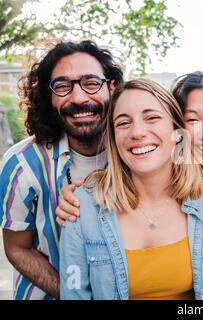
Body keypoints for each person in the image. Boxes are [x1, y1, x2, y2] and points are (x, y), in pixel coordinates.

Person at [59, 78, 203, 300]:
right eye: (123, 123)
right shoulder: (82, 206)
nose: (137, 132)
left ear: (177, 130)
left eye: (152, 118)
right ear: (113, 137)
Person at [0, 40, 123, 300]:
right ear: (49, 96)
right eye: (63, 86)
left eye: (91, 83)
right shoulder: (22, 165)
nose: (78, 98)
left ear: (112, 88)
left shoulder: (137, 153)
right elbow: (17, 248)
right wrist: (74, 295)